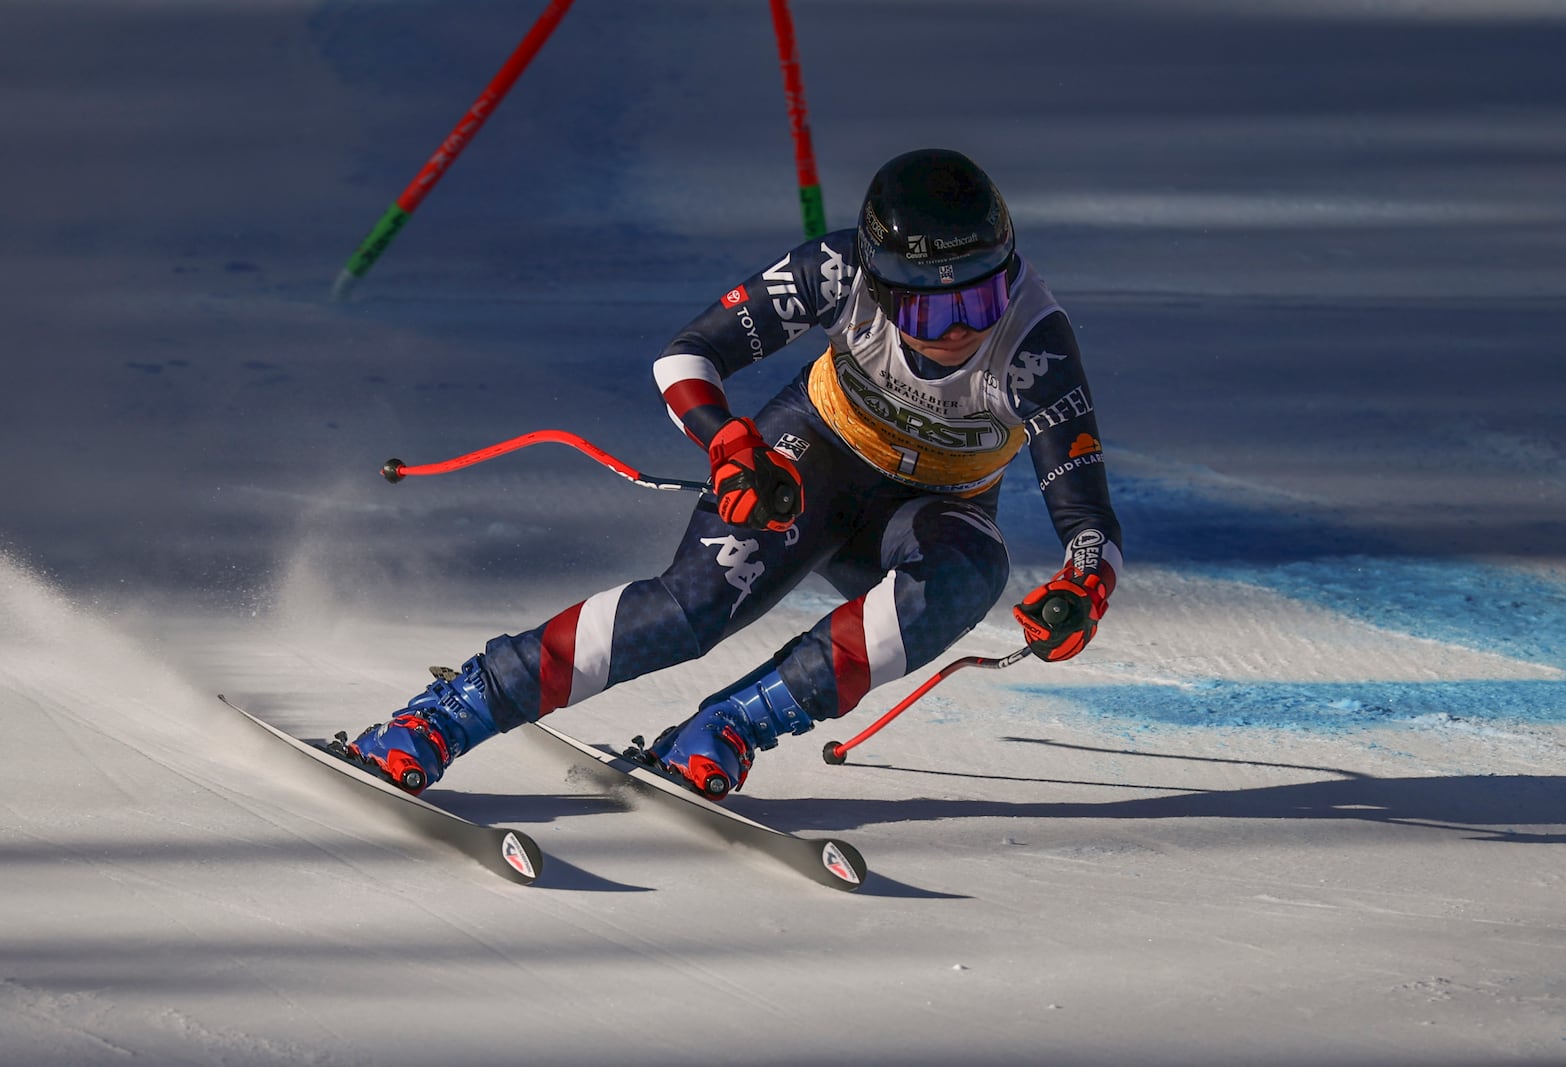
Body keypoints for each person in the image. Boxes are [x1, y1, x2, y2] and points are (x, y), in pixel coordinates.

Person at [342, 148, 1123, 800]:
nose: (959, 328)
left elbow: (1086, 515)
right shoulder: (838, 268)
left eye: (982, 296)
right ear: (882, 289)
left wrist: (1080, 588)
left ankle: (730, 726)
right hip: (811, 456)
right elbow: (686, 356)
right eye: (926, 313)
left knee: (973, 570)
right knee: (693, 610)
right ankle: (456, 708)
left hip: (928, 509)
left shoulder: (1034, 344)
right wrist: (726, 443)